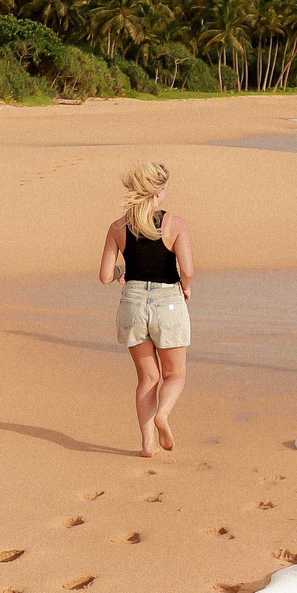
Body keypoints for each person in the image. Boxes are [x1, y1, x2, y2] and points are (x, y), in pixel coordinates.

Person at [100, 161, 193, 459]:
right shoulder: (175, 225)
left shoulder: (117, 227)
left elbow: (104, 276)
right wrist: (186, 285)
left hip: (132, 303)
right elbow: (188, 270)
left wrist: (118, 272)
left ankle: (147, 444)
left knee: (147, 379)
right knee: (174, 374)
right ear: (160, 192)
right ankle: (163, 414)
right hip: (168, 301)